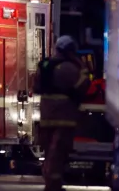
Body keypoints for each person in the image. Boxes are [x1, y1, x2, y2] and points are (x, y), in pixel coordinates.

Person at [36, 35, 91, 191]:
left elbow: (36, 87)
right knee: (58, 154)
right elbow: (84, 86)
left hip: (46, 117)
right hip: (64, 118)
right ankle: (53, 186)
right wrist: (81, 65)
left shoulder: (45, 65)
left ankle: (51, 184)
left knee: (49, 153)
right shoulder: (70, 68)